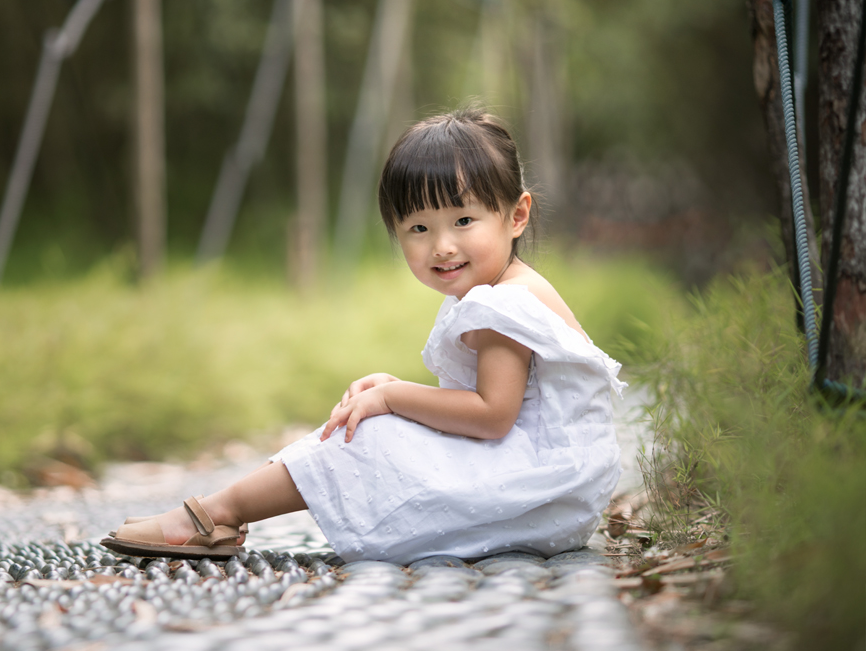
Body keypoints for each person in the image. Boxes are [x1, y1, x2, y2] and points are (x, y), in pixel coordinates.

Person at [102, 106, 625, 564]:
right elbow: (497, 409)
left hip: (541, 492)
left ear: (516, 215)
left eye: (463, 220)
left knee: (367, 435)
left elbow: (492, 416)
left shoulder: (502, 303)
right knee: (375, 424)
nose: (442, 245)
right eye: (419, 228)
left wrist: (395, 398)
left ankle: (218, 514)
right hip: (553, 493)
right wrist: (393, 387)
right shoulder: (502, 289)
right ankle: (221, 509)